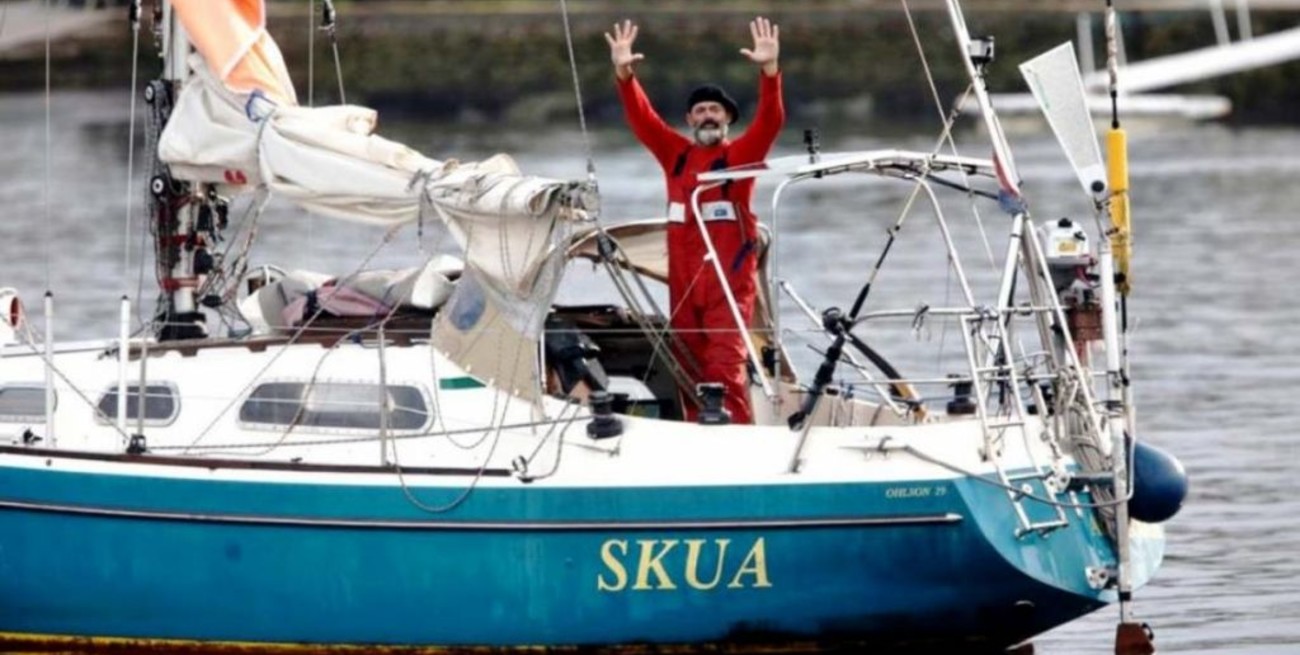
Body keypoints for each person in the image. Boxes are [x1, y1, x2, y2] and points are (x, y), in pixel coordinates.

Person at [605, 17, 784, 425]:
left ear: (727, 120)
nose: (707, 116)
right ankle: (694, 442)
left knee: (724, 372)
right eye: (700, 110)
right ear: (689, 120)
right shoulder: (676, 156)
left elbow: (771, 121)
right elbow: (643, 119)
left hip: (727, 287)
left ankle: (738, 443)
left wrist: (769, 72)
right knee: (687, 371)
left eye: (714, 110)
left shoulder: (741, 158)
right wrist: (623, 73)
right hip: (684, 287)